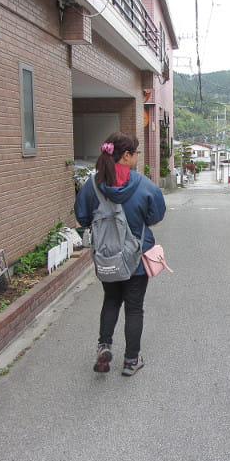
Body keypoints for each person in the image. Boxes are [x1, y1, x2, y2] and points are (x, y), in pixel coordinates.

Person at [74, 133, 166, 376]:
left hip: (107, 258)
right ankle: (131, 361)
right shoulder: (144, 185)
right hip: (136, 258)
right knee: (134, 308)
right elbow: (156, 216)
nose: (136, 157)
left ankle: (104, 346)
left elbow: (82, 217)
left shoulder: (93, 184)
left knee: (111, 301)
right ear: (126, 155)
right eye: (135, 152)